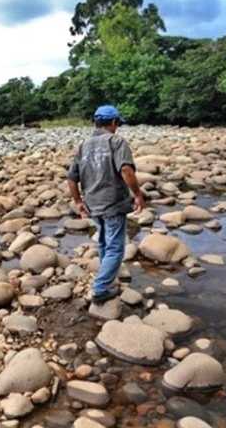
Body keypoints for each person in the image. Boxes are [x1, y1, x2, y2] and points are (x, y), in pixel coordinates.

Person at [67, 105, 145, 306]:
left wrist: (78, 202)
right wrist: (137, 194)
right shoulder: (116, 141)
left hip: (93, 203)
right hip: (113, 202)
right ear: (112, 122)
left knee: (103, 241)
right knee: (115, 248)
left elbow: (71, 178)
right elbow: (126, 170)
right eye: (117, 123)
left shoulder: (84, 145)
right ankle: (100, 289)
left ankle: (105, 278)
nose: (117, 127)